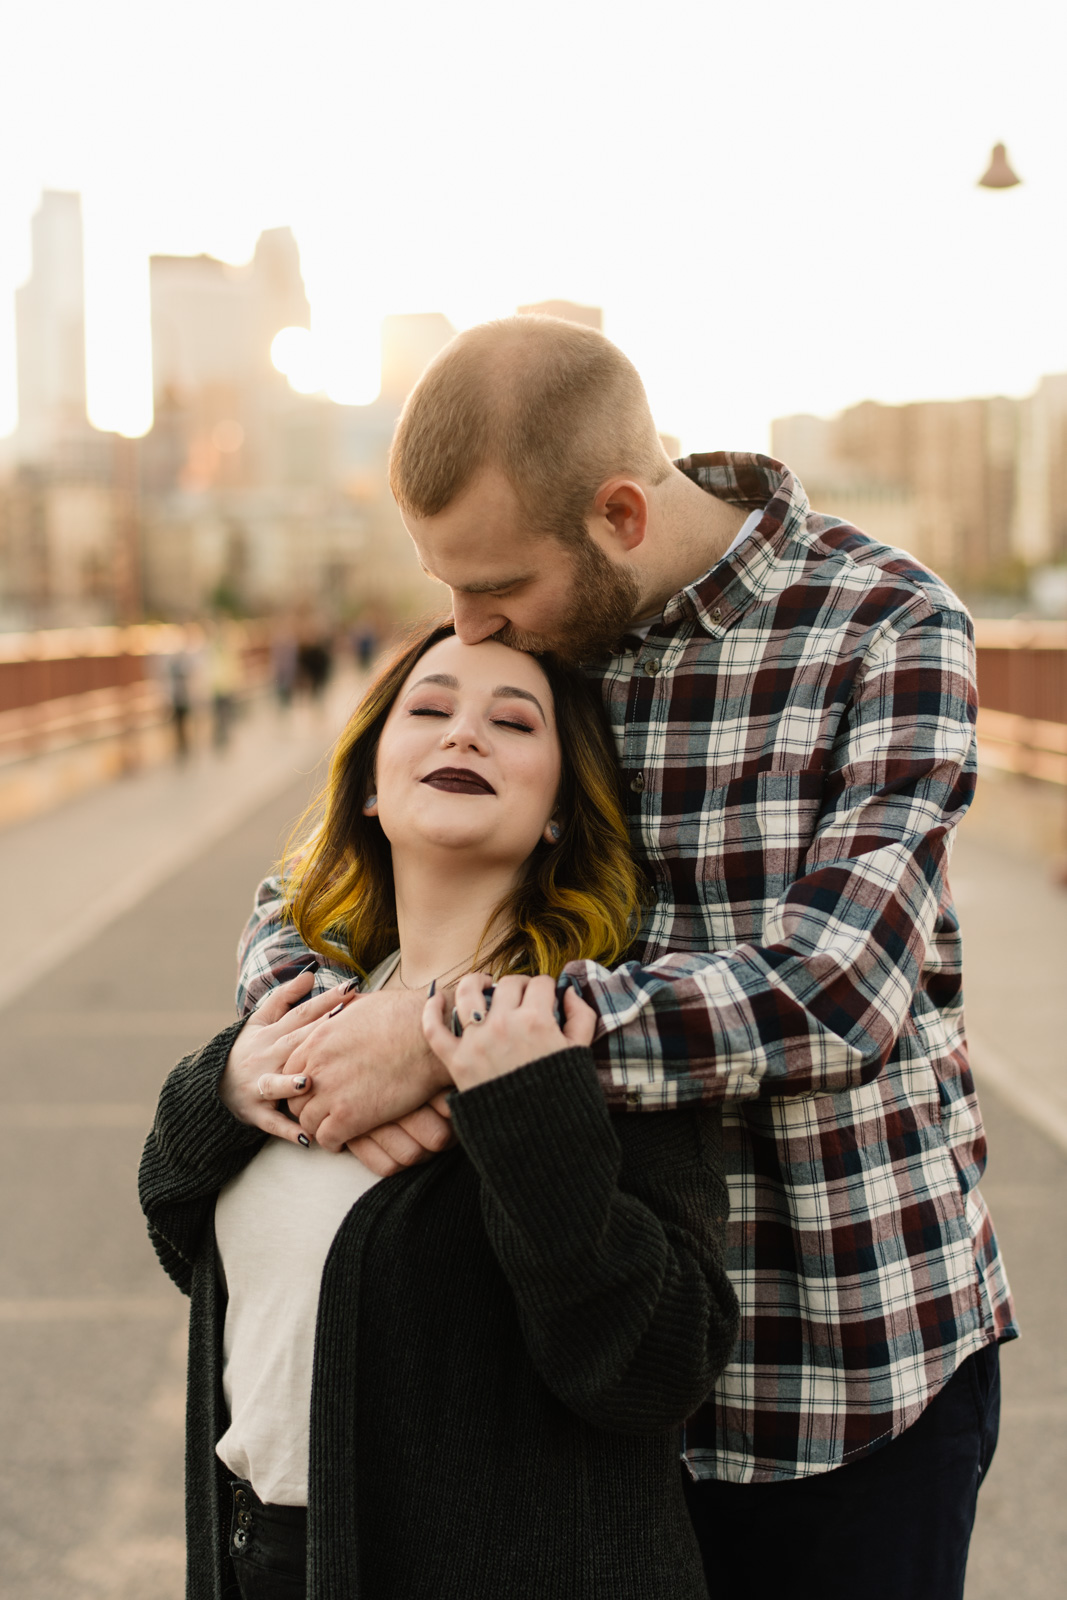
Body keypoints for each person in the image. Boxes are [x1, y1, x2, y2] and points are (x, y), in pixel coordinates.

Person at [237, 316, 1016, 1600]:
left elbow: (837, 994)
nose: (465, 627)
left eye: (491, 587)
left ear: (617, 515)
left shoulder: (884, 626)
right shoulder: (538, 646)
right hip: (567, 1384)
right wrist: (308, 1041)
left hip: (835, 1371)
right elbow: (311, 887)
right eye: (444, 585)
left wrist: (446, 1039)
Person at [140, 625, 740, 1600]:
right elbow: (198, 1249)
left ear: (557, 809)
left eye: (512, 722)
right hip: (275, 1559)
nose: (464, 735)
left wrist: (522, 1110)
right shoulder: (311, 1001)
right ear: (371, 786)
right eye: (428, 710)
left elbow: (657, 1364)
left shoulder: (580, 1028)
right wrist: (215, 1090)